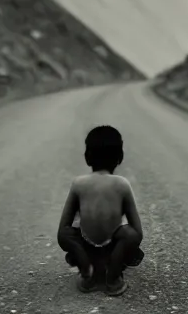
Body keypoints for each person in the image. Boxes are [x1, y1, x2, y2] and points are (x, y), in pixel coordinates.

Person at [57, 125, 144, 296]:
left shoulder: (78, 183)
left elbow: (63, 230)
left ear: (87, 158)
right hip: (113, 251)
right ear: (120, 157)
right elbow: (137, 231)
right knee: (131, 234)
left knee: (67, 234)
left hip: (86, 250)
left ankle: (87, 273)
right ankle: (112, 278)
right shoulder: (122, 184)